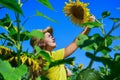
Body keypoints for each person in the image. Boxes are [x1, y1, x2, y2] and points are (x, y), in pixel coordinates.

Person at [30, 15, 95, 80]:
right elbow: (77, 42)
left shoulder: (38, 61)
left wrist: (64, 70)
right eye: (49, 36)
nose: (53, 37)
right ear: (41, 42)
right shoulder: (53, 57)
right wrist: (89, 25)